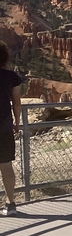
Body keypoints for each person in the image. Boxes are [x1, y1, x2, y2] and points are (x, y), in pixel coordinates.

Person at [1, 41, 22, 217]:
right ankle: (11, 204)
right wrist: (17, 122)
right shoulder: (12, 77)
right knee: (6, 166)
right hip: (4, 127)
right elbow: (16, 103)